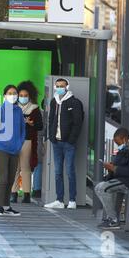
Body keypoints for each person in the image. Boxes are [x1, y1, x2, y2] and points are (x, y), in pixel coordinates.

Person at [95, 129, 129, 230]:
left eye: (118, 142)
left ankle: (113, 220)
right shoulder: (128, 148)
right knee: (98, 187)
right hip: (124, 179)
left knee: (103, 188)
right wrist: (112, 167)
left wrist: (114, 168)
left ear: (124, 139)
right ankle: (111, 217)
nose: (117, 145)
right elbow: (122, 163)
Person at [44, 78, 84, 210]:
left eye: (62, 86)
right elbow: (50, 120)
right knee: (57, 172)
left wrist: (72, 139)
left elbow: (78, 122)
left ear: (67, 86)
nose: (60, 88)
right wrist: (51, 136)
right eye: (58, 86)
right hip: (56, 142)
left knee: (70, 171)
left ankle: (72, 200)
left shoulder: (74, 102)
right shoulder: (54, 101)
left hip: (68, 143)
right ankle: (59, 200)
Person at [0, 85, 26, 216]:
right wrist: (2, 141)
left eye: (14, 93)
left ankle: (6, 206)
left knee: (11, 178)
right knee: (3, 177)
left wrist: (19, 143)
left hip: (15, 150)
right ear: (5, 95)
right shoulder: (0, 110)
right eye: (10, 93)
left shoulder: (18, 111)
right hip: (1, 149)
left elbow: (22, 130)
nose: (13, 95)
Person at [10, 81, 43, 204]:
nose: (23, 98)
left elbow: (40, 126)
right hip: (14, 141)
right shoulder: (13, 107)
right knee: (15, 168)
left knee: (25, 168)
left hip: (27, 141)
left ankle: (26, 194)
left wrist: (31, 123)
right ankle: (13, 193)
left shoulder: (34, 109)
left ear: (30, 96)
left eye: (25, 95)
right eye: (21, 95)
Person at [32, 99, 47, 199]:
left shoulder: (38, 113)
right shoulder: (45, 115)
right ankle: (37, 189)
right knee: (39, 165)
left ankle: (35, 189)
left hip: (34, 141)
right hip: (39, 142)